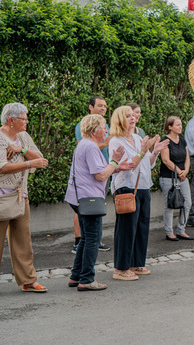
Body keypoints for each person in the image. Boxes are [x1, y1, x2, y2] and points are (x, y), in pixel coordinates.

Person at [65, 114, 132, 291]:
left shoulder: (84, 144)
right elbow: (100, 175)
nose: (106, 132)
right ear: (94, 130)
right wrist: (115, 161)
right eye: (103, 128)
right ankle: (87, 279)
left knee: (86, 238)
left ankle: (76, 276)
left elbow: (99, 170)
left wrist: (116, 167)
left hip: (79, 198)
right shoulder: (90, 147)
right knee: (93, 239)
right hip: (89, 199)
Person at [109, 106, 168, 281]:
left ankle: (136, 263)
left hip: (143, 186)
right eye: (128, 116)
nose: (132, 118)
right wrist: (142, 152)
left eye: (133, 115)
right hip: (126, 187)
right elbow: (129, 165)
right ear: (120, 120)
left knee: (142, 228)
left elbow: (147, 163)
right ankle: (121, 268)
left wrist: (155, 152)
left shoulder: (137, 138)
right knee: (126, 229)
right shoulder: (116, 141)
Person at [0, 103, 49, 293]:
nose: (27, 121)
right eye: (24, 118)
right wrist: (28, 164)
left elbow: (40, 159)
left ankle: (28, 281)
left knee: (23, 242)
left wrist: (21, 150)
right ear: (11, 120)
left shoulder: (23, 137)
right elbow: (2, 167)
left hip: (21, 196)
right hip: (2, 197)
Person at [72, 96, 112, 254]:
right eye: (100, 105)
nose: (103, 108)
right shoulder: (83, 124)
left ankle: (96, 240)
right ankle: (79, 241)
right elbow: (84, 145)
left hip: (104, 170)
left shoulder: (105, 124)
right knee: (84, 208)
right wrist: (106, 143)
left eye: (105, 106)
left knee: (97, 207)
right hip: (92, 175)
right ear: (91, 107)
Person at [159, 116, 194, 241]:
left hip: (182, 177)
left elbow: (187, 157)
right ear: (170, 127)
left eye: (181, 124)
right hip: (168, 177)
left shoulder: (182, 141)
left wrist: (186, 171)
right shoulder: (165, 141)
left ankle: (181, 230)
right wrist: (179, 171)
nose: (180, 127)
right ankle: (169, 232)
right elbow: (165, 160)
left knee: (187, 203)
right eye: (177, 125)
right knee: (169, 204)